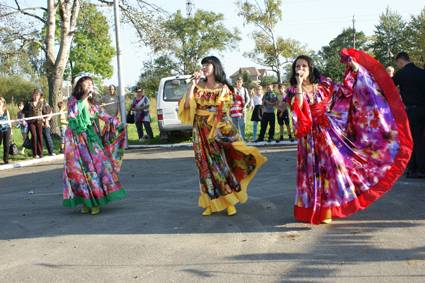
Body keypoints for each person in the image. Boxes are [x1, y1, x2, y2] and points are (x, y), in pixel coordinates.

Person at [288, 49, 412, 225]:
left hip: (326, 131)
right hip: (307, 137)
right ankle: (311, 209)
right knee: (311, 172)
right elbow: (298, 107)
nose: (300, 69)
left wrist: (354, 68)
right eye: (297, 66)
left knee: (332, 168)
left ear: (310, 68)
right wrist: (299, 86)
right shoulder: (292, 90)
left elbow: (347, 90)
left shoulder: (325, 85)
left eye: (304, 66)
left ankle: (329, 208)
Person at [178, 56, 267, 216]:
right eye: (203, 65)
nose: (204, 67)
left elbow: (223, 110)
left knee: (220, 164)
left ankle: (230, 200)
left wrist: (219, 126)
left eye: (207, 64)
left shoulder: (223, 87)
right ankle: (211, 202)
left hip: (216, 129)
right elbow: (186, 106)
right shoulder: (198, 86)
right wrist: (192, 85)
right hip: (199, 130)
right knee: (203, 166)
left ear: (215, 66)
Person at [63, 76, 127, 215]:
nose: (90, 85)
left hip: (89, 139)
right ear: (80, 85)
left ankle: (95, 201)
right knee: (77, 172)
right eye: (87, 83)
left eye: (91, 84)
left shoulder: (93, 105)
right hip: (73, 141)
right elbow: (73, 113)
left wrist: (120, 125)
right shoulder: (72, 100)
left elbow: (105, 116)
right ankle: (86, 202)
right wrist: (85, 96)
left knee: (94, 168)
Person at [393, 52, 425, 178]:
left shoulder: (401, 74)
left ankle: (418, 169)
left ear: (400, 61)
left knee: (414, 140)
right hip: (423, 109)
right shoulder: (421, 72)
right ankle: (418, 167)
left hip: (412, 111)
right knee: (421, 139)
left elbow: (389, 87)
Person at [25, 89, 44, 159]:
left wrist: (46, 120)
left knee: (40, 136)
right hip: (31, 122)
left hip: (39, 121)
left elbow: (46, 112)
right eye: (35, 95)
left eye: (37, 95)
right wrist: (25, 119)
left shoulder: (41, 103)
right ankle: (34, 154)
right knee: (34, 136)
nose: (36, 97)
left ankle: (41, 153)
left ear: (39, 96)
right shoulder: (29, 103)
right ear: (33, 96)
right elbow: (24, 111)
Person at [0, 97, 11, 164]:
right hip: (0, 129)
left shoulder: (6, 111)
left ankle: (6, 159)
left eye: (1, 101)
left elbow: (9, 120)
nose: (0, 103)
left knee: (6, 145)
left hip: (7, 129)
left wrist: (11, 131)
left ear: (3, 103)